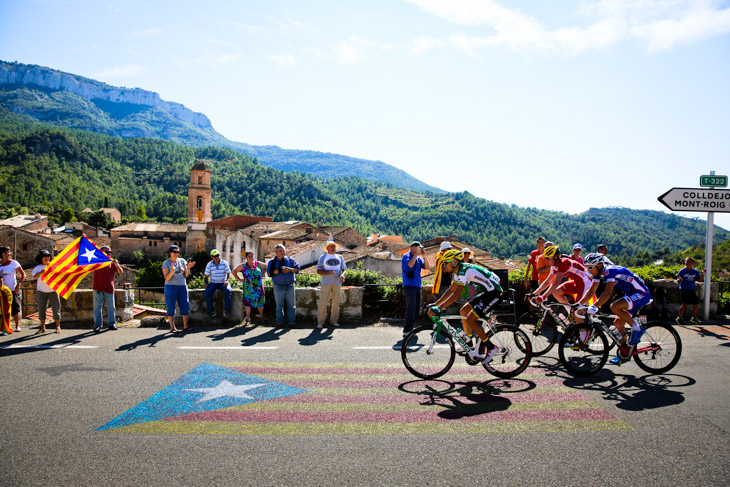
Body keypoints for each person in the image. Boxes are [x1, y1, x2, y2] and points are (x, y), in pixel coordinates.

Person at [427, 250, 502, 365]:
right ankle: (469, 343)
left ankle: (491, 347)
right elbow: (450, 291)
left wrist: (440, 308)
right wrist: (436, 304)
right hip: (487, 291)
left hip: (495, 293)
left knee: (470, 318)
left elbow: (456, 295)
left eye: (445, 263)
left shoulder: (463, 270)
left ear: (454, 262)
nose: (443, 266)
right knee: (464, 311)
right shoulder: (458, 271)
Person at [580, 252, 651, 364]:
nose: (588, 270)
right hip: (631, 294)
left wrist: (594, 306)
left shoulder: (609, 270)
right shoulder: (598, 273)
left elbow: (608, 293)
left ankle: (637, 329)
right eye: (586, 268)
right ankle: (624, 351)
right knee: (617, 325)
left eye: (590, 267)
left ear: (599, 265)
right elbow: (591, 291)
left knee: (614, 306)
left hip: (641, 293)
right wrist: (579, 304)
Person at [162, 245, 195, 333]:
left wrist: (188, 268)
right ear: (170, 253)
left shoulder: (182, 261)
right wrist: (172, 271)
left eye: (178, 252)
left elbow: (186, 275)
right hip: (171, 286)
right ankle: (172, 327)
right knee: (171, 306)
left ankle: (185, 326)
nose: (177, 254)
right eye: (175, 252)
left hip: (182, 286)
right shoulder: (166, 263)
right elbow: (167, 278)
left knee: (185, 305)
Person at [266, 244, 299, 327]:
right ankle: (280, 322)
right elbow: (269, 273)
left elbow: (297, 269)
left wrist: (290, 269)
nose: (282, 252)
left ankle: (292, 322)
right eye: (280, 251)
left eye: (283, 250)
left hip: (289, 285)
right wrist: (280, 270)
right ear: (276, 252)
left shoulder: (290, 260)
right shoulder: (272, 262)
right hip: (278, 285)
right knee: (279, 305)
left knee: (292, 305)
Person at [316, 239, 347, 329]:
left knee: (336, 303)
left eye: (334, 246)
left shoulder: (340, 257)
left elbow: (344, 269)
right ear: (327, 248)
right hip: (326, 283)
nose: (333, 248)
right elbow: (318, 271)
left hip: (337, 283)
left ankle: (334, 321)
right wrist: (328, 272)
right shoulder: (322, 257)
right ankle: (320, 322)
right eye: (331, 246)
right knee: (323, 302)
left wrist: (342, 275)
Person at [401, 241, 430, 336]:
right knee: (411, 308)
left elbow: (427, 267)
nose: (420, 249)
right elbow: (410, 265)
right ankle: (407, 330)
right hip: (409, 286)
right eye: (418, 248)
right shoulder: (406, 256)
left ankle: (411, 327)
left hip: (418, 286)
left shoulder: (418, 258)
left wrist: (424, 256)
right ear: (413, 248)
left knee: (417, 309)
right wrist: (416, 255)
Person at [92, 245, 123, 332]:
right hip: (98, 288)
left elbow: (120, 272)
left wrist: (117, 265)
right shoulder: (96, 261)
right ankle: (97, 325)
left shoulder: (112, 262)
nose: (109, 254)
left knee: (111, 307)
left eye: (110, 252)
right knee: (97, 307)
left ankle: (112, 324)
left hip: (109, 288)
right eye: (107, 252)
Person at [232, 251, 266, 326]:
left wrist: (262, 274)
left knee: (260, 302)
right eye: (249, 256)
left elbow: (266, 266)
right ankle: (248, 319)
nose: (251, 257)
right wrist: (241, 279)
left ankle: (261, 318)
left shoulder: (257, 264)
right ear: (246, 257)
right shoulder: (243, 265)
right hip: (248, 287)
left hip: (258, 287)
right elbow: (234, 272)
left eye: (252, 256)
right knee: (248, 303)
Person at [32, 250, 61, 334]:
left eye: (48, 256)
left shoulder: (53, 265)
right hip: (42, 290)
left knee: (56, 309)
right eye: (45, 256)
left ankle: (57, 326)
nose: (47, 258)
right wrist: (40, 273)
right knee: (41, 309)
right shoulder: (38, 267)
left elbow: (59, 273)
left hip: (53, 290)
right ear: (41, 258)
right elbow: (34, 276)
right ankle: (42, 327)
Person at [0, 246, 26, 332]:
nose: (8, 254)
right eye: (5, 252)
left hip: (12, 288)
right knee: (3, 309)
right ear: (1, 254)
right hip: (2, 290)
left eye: (8, 252)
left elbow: (23, 274)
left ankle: (17, 326)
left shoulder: (14, 263)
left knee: (15, 307)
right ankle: (4, 326)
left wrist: (18, 285)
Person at [203, 249, 232, 319]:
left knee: (228, 291)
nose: (216, 257)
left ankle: (227, 311)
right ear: (211, 257)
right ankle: (211, 311)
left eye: (217, 255)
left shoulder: (224, 263)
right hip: (213, 283)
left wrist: (227, 281)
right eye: (214, 256)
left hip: (223, 282)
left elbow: (229, 274)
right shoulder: (209, 264)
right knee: (207, 293)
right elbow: (206, 276)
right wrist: (206, 283)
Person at [676, 257, 705, 325]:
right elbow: (678, 279)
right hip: (684, 289)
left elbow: (699, 280)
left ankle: (694, 317)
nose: (688, 263)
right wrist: (679, 280)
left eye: (690, 262)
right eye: (687, 262)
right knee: (685, 303)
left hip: (692, 289)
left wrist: (702, 275)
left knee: (695, 303)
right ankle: (679, 318)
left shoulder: (695, 271)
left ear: (693, 263)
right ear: (685, 263)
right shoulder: (682, 271)